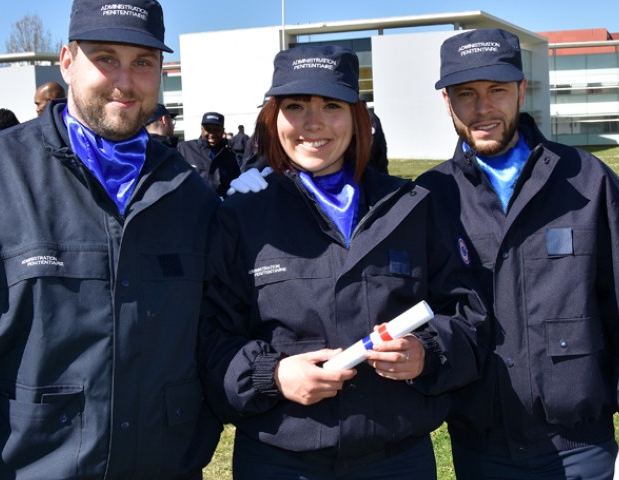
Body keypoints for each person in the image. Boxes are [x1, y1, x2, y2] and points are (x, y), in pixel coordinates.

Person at [0, 0, 222, 478]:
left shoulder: (190, 195)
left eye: (143, 62)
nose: (125, 79)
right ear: (66, 61)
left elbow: (219, 341)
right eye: (105, 58)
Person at [198, 44, 487, 479]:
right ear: (273, 117)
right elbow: (209, 336)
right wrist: (270, 375)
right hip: (279, 461)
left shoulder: (412, 207)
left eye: (331, 105)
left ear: (358, 118)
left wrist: (426, 353)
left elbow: (470, 317)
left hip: (397, 460)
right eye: (295, 105)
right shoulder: (240, 217)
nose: (313, 123)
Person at [414, 28, 619, 480]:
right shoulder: (429, 196)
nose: (482, 108)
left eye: (497, 90)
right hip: (481, 451)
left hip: (582, 447)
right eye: (466, 94)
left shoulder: (587, 180)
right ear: (447, 102)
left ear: (521, 90)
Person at [177, 111, 240, 196]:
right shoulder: (184, 148)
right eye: (208, 129)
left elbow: (236, 183)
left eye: (217, 130)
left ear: (223, 131)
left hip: (220, 206)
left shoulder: (229, 155)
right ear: (202, 129)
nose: (212, 134)